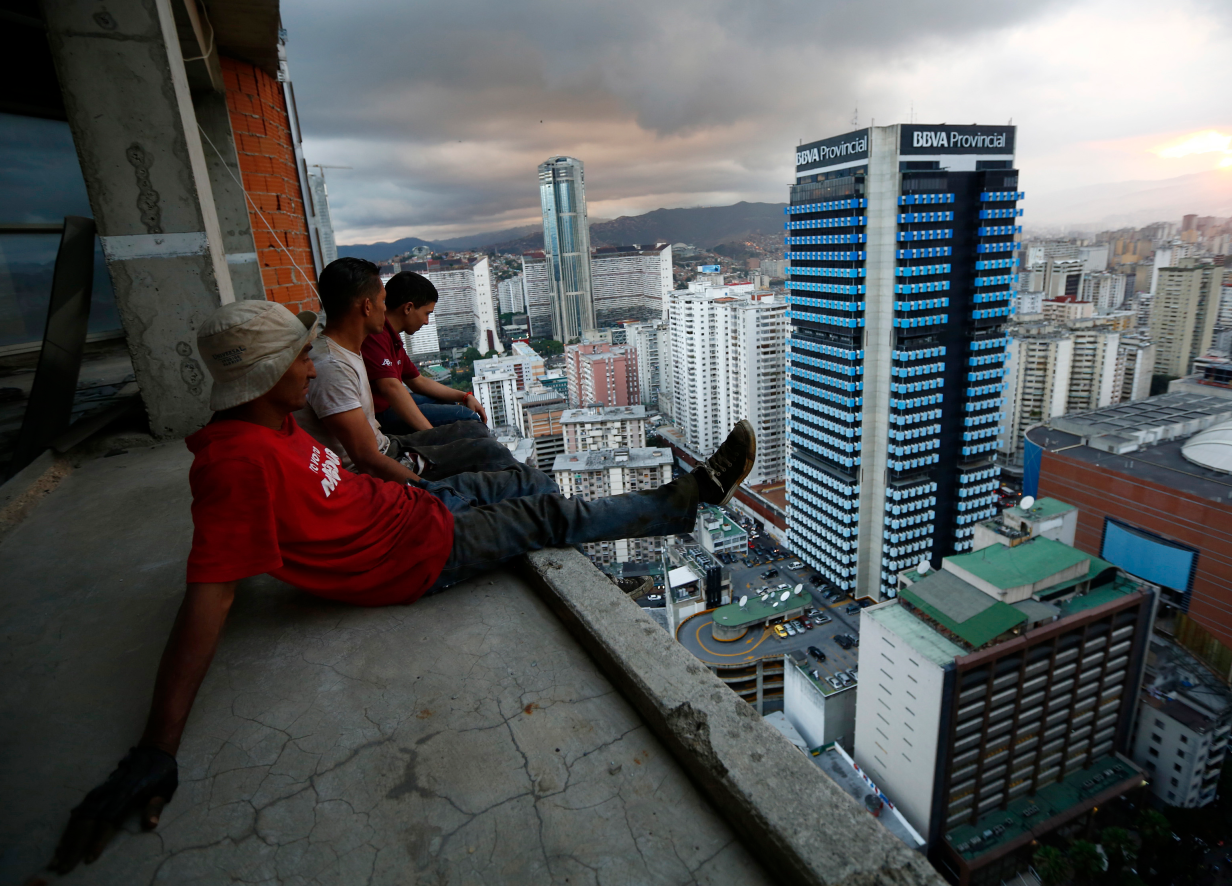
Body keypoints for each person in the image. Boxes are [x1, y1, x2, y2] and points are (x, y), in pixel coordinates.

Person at [48, 298, 756, 873]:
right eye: (299, 358)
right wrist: (157, 747)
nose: (310, 366)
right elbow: (210, 595)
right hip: (417, 555)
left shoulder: (274, 423)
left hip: (416, 509)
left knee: (508, 478)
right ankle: (687, 497)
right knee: (548, 510)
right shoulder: (235, 466)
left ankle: (592, 517)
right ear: (264, 375)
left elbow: (340, 484)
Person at [295, 257, 515, 483]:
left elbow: (416, 380)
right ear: (367, 306)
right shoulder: (336, 363)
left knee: (475, 433)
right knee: (487, 448)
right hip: (384, 449)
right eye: (382, 301)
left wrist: (464, 395)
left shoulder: (353, 347)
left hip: (385, 443)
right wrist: (432, 446)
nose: (385, 307)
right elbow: (369, 456)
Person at [360, 270, 485, 434]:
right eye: (426, 314)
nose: (426, 322)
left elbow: (417, 381)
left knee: (448, 404)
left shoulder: (392, 338)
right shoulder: (377, 335)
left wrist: (464, 396)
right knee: (468, 418)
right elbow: (391, 388)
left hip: (389, 407)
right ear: (408, 308)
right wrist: (430, 434)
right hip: (379, 416)